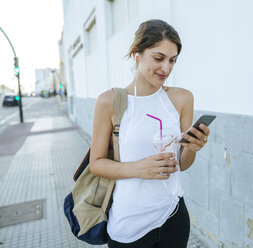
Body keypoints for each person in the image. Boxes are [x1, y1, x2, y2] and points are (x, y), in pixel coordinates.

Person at [89, 19, 210, 248]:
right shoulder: (110, 102)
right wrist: (138, 168)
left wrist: (193, 148)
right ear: (137, 53)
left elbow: (182, 164)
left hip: (173, 216)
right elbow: (96, 164)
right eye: (158, 58)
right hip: (129, 224)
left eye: (172, 60)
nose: (166, 68)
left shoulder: (182, 98)